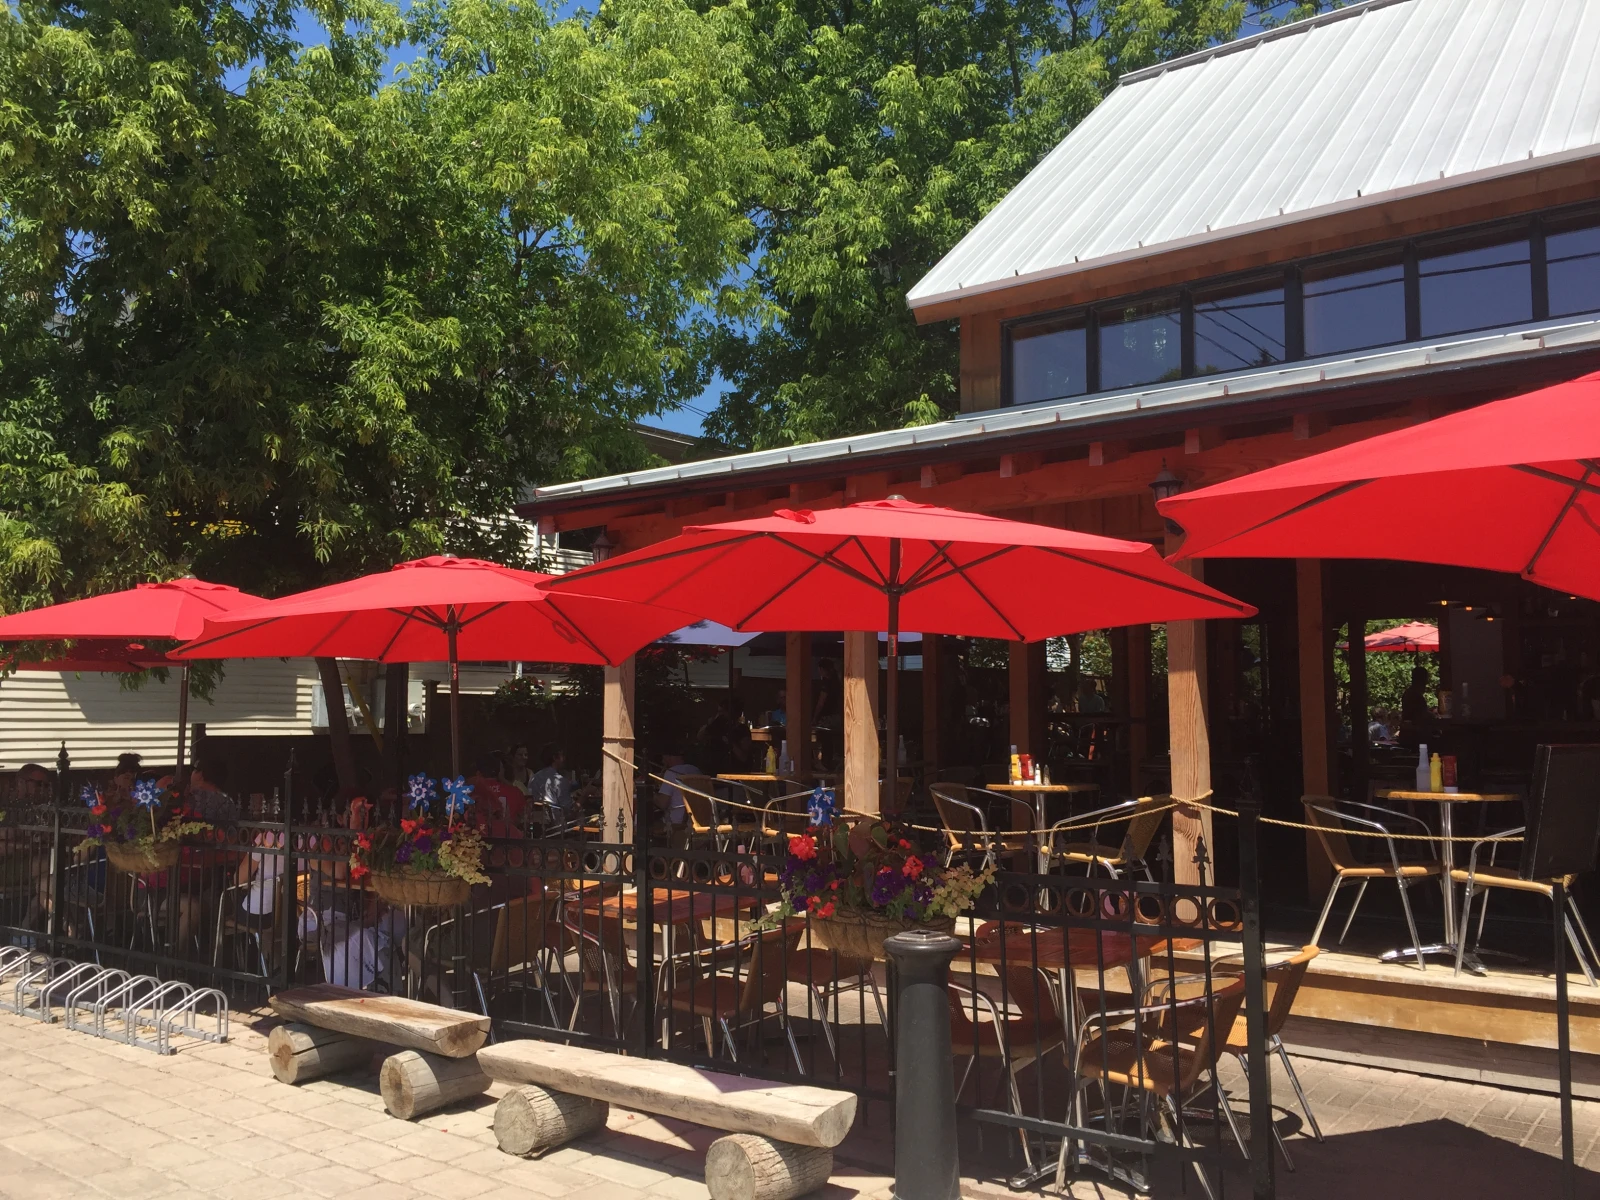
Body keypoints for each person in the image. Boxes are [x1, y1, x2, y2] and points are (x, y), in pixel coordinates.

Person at [468, 754, 525, 837]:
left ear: (478, 773)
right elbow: (523, 818)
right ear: (500, 772)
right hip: (509, 839)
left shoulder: (470, 791)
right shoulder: (515, 792)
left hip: (476, 840)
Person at [653, 749, 703, 837]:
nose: (662, 761)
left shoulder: (671, 772)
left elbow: (662, 803)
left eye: (663, 758)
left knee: (647, 822)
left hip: (676, 821)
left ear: (668, 757)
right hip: (697, 819)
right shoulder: (695, 770)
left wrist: (651, 793)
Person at [525, 746, 574, 824]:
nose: (564, 759)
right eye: (562, 755)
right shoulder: (560, 780)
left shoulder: (534, 777)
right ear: (554, 758)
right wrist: (584, 795)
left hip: (535, 822)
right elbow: (569, 811)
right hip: (557, 825)